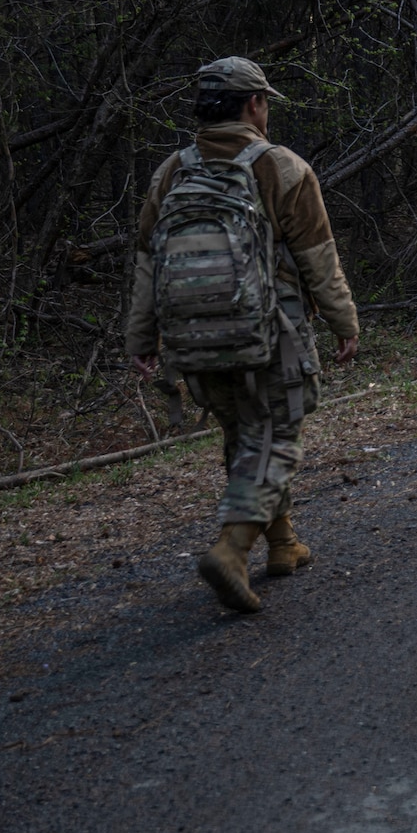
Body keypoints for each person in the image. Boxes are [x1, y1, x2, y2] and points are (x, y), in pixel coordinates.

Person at [127, 57, 359, 613]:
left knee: (244, 432)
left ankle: (283, 542)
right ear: (254, 104)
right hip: (270, 333)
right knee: (277, 435)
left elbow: (147, 263)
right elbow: (318, 259)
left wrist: (141, 338)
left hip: (193, 339)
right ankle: (231, 551)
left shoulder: (171, 172)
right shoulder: (282, 167)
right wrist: (344, 321)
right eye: (265, 101)